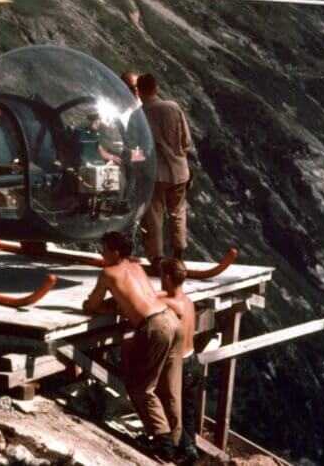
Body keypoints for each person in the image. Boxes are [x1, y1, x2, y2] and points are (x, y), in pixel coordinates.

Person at [83, 231, 183, 462]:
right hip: (171, 318)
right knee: (169, 387)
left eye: (104, 250)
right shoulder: (137, 267)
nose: (102, 254)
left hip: (154, 326)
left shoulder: (108, 273)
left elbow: (93, 304)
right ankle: (177, 444)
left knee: (141, 388)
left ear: (115, 252)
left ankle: (163, 444)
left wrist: (92, 305)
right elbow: (131, 300)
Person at [137, 73, 193, 265]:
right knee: (177, 212)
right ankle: (179, 253)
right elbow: (186, 142)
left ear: (139, 92)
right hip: (178, 171)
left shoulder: (139, 114)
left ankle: (157, 257)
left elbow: (135, 148)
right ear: (156, 88)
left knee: (153, 216)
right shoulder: (173, 108)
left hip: (154, 173)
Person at [160, 259, 201, 465]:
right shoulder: (187, 301)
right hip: (194, 361)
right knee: (187, 412)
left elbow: (146, 300)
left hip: (181, 366)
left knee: (171, 410)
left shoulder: (170, 303)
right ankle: (188, 450)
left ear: (167, 278)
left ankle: (186, 448)